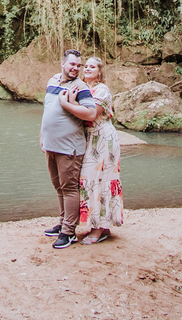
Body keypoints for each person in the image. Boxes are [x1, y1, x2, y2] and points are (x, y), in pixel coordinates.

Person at [40, 48, 97, 249]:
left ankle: (69, 231)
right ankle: (63, 222)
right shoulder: (52, 81)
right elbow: (47, 110)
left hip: (69, 147)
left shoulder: (80, 87)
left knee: (69, 188)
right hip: (51, 144)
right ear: (62, 64)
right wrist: (42, 136)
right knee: (58, 186)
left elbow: (91, 113)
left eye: (78, 65)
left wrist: (66, 104)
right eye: (72, 64)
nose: (75, 68)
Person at [67, 56, 123, 244]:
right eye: (86, 66)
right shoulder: (83, 88)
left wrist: (70, 103)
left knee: (101, 179)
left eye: (93, 66)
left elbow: (91, 115)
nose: (88, 68)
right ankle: (98, 225)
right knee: (89, 180)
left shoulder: (102, 90)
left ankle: (99, 228)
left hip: (103, 139)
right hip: (89, 139)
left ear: (100, 72)